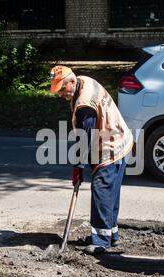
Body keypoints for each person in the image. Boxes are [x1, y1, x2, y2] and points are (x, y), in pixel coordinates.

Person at [50, 66, 133, 254]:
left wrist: (78, 167)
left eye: (62, 89)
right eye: (58, 91)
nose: (61, 95)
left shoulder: (84, 104)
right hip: (122, 140)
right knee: (110, 191)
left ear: (72, 81)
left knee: (102, 188)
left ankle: (101, 241)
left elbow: (84, 138)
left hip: (111, 147)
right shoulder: (83, 81)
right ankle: (111, 235)